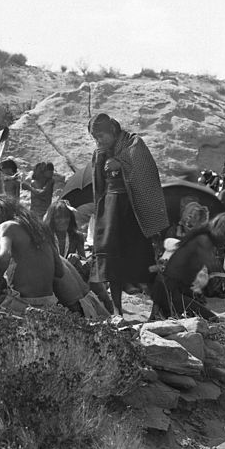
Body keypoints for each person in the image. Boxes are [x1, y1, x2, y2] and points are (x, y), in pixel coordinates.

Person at [88, 113, 169, 315]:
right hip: (110, 211)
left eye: (101, 136)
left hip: (133, 210)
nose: (99, 141)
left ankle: (157, 308)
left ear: (113, 131)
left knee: (141, 258)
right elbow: (98, 184)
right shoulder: (101, 151)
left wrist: (121, 164)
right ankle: (117, 310)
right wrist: (99, 160)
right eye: (95, 138)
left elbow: (145, 171)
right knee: (111, 259)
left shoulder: (134, 144)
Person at [150, 212, 225, 321]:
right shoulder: (203, 240)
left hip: (174, 289)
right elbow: (213, 265)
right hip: (168, 290)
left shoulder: (204, 237)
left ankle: (160, 312)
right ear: (220, 232)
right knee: (212, 319)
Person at [0, 194, 63, 314]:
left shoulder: (7, 226)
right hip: (49, 302)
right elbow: (60, 271)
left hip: (22, 303)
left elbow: (5, 255)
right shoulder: (41, 227)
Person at [44, 199, 115, 313]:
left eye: (66, 217)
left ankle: (108, 308)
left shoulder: (77, 236)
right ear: (52, 220)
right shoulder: (46, 237)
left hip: (74, 275)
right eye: (58, 217)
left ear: (70, 218)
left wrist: (78, 257)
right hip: (52, 276)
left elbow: (83, 259)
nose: (63, 221)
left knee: (93, 276)